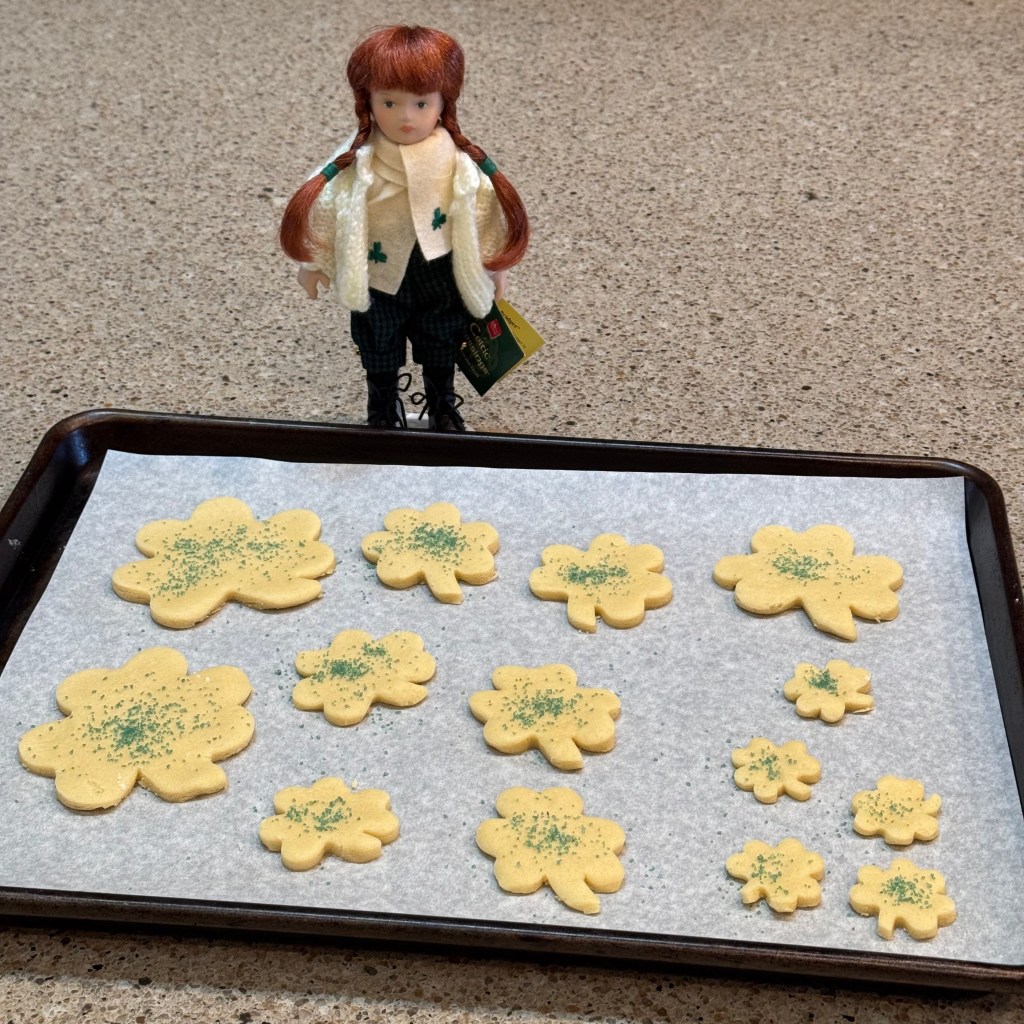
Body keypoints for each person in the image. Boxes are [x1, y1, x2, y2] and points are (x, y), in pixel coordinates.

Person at [279, 24, 529, 431]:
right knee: (377, 340)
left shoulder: (458, 164)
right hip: (378, 272)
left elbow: (481, 211)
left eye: (421, 103)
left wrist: (493, 263)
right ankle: (382, 406)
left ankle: (442, 404)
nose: (406, 117)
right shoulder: (358, 163)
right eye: (390, 103)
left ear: (443, 102)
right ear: (368, 102)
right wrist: (315, 262)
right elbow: (328, 208)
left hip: (440, 268)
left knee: (442, 336)